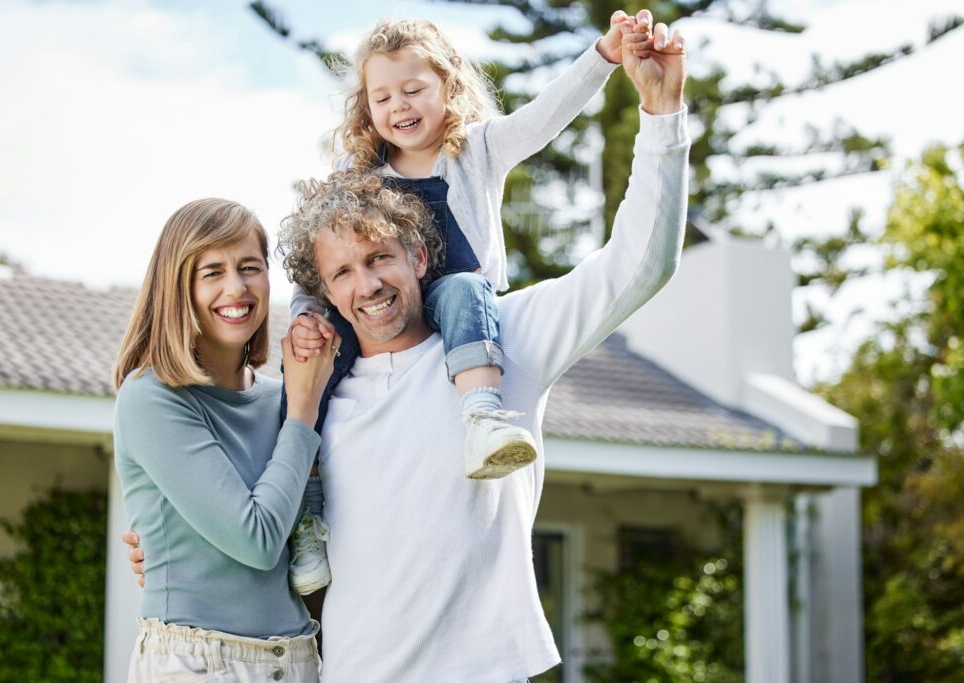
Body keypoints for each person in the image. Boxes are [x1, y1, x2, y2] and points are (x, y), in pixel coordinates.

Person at [127, 9, 687, 680]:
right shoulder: (310, 402)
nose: (367, 284)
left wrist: (661, 115)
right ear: (322, 291)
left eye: (380, 256)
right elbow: (250, 528)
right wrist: (162, 552)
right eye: (342, 271)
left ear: (420, 254)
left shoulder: (506, 340)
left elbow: (641, 263)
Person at [283, 9, 656, 597]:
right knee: (316, 356)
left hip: (461, 309)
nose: (399, 106)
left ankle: (482, 418)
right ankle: (305, 517)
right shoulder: (362, 177)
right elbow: (323, 257)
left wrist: (605, 56)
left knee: (459, 288)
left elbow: (545, 116)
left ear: (447, 86)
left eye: (413, 89)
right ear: (366, 109)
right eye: (382, 97)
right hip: (384, 314)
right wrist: (306, 314)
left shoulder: (477, 148)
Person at [112, 198, 338, 682]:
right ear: (179, 287)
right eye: (211, 271)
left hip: (298, 660)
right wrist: (302, 414)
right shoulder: (151, 397)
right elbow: (256, 541)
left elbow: (315, 550)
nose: (235, 287)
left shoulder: (288, 398)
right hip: (199, 664)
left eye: (250, 267)